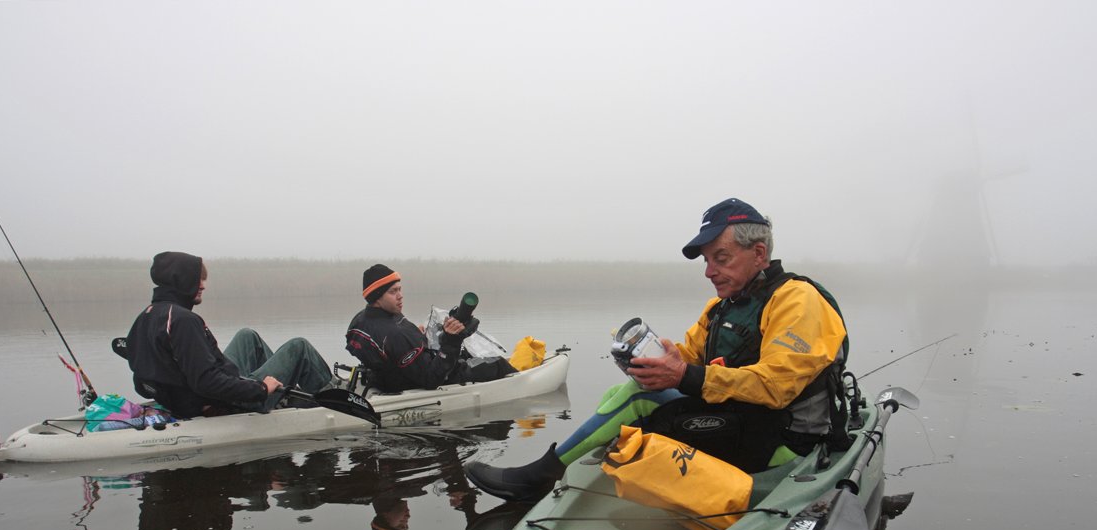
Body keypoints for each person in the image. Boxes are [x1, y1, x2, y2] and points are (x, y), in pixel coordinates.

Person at [465, 197, 848, 502]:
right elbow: (690, 358)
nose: (709, 271)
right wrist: (663, 361)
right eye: (707, 261)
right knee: (627, 390)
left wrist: (683, 375)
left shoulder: (797, 300)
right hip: (745, 424)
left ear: (760, 253)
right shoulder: (722, 308)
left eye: (722, 258)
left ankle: (539, 477)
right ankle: (588, 470)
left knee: (634, 402)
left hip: (787, 444)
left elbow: (776, 386)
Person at [125, 251, 333, 417]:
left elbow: (142, 381)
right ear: (181, 280)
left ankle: (283, 393)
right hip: (225, 401)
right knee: (299, 347)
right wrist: (260, 389)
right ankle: (333, 400)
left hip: (190, 397)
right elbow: (206, 382)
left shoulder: (148, 315)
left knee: (247, 336)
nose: (203, 286)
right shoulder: (184, 321)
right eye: (198, 279)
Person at [344, 264, 516, 393]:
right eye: (393, 291)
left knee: (466, 355)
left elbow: (387, 349)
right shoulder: (397, 333)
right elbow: (431, 379)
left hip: (385, 378)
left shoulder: (360, 320)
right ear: (376, 297)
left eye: (400, 289)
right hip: (412, 382)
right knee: (497, 364)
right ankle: (521, 379)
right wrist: (452, 340)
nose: (400, 295)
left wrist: (416, 340)